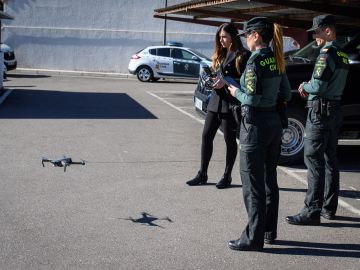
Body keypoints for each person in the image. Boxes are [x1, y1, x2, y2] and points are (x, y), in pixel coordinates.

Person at [225, 17, 291, 251]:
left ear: (256, 35)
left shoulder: (255, 62)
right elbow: (286, 93)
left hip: (255, 127)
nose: (246, 40)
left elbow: (251, 98)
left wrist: (235, 91)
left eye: (246, 36)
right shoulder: (276, 59)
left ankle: (253, 238)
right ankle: (269, 231)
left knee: (252, 183)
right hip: (274, 123)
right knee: (268, 180)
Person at [286, 15, 349, 225]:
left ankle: (311, 210)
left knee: (313, 159)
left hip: (320, 113)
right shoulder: (342, 54)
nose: (314, 36)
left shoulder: (326, 54)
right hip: (335, 111)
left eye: (317, 31)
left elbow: (319, 86)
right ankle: (329, 208)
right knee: (331, 160)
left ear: (328, 31)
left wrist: (305, 86)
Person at [186, 23, 250, 189]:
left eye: (224, 37)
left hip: (230, 103)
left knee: (230, 140)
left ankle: (227, 176)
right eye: (219, 37)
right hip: (215, 101)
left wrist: (227, 83)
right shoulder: (221, 53)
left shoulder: (243, 55)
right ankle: (202, 174)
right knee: (206, 136)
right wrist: (211, 78)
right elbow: (218, 73)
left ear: (233, 37)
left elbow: (246, 81)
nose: (221, 40)